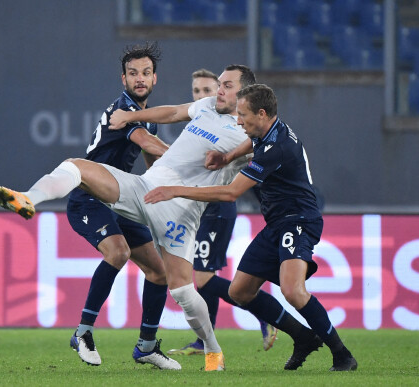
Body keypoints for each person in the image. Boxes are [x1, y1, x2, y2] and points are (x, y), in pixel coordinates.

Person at [0, 64, 257, 372]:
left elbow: (258, 166)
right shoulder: (209, 107)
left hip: (180, 210)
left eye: (226, 86)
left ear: (244, 93)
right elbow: (173, 113)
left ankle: (212, 350)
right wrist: (132, 117)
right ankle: (28, 198)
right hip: (145, 188)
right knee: (76, 166)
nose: (218, 90)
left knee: (183, 290)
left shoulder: (247, 135)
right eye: (219, 84)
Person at [143, 84, 358, 371]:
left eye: (243, 115)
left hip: (299, 220)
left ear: (262, 113)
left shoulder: (276, 149)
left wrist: (176, 190)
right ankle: (303, 337)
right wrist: (228, 157)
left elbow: (230, 193)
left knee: (294, 292)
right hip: (277, 224)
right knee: (239, 291)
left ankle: (342, 355)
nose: (238, 120)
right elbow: (251, 142)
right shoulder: (268, 130)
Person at [61, 43, 180, 370]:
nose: (139, 79)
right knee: (118, 253)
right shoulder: (122, 111)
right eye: (132, 73)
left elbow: (151, 159)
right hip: (87, 197)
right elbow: (149, 144)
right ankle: (82, 333)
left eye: (145, 73)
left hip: (118, 200)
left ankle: (146, 346)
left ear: (155, 78)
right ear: (123, 78)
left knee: (158, 271)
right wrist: (194, 161)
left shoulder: (144, 117)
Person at [167, 69, 277, 356]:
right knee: (203, 273)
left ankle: (263, 310)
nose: (202, 96)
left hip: (218, 206)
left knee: (202, 277)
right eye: (197, 91)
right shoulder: (201, 121)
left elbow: (257, 153)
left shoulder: (238, 127)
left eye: (208, 90)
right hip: (200, 206)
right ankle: (204, 340)